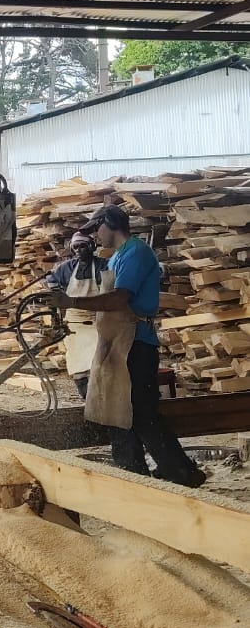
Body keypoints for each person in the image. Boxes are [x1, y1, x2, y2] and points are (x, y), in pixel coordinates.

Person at [76, 204, 204, 487]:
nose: (95, 236)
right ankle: (131, 475)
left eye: (96, 228)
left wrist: (73, 303)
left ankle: (183, 474)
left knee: (142, 413)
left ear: (110, 224)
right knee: (117, 411)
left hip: (137, 344)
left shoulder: (135, 252)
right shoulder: (116, 257)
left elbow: (120, 298)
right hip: (119, 343)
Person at [46, 230, 108, 400]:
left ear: (91, 246)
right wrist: (55, 291)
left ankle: (99, 397)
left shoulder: (103, 265)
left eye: (83, 246)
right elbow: (51, 280)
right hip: (74, 322)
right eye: (76, 247)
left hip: (97, 320)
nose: (79, 250)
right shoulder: (67, 268)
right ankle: (86, 396)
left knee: (98, 359)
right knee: (78, 362)